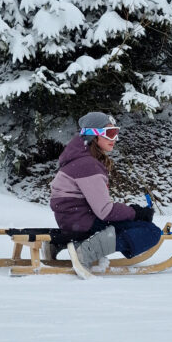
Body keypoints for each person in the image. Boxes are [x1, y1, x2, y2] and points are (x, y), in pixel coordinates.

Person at [48, 111, 160, 276]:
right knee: (151, 232)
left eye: (116, 133)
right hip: (82, 222)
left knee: (132, 224)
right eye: (110, 133)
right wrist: (135, 213)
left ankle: (76, 245)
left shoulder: (80, 159)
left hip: (74, 220)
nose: (114, 138)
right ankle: (86, 251)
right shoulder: (87, 164)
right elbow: (105, 211)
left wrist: (131, 213)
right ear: (94, 135)